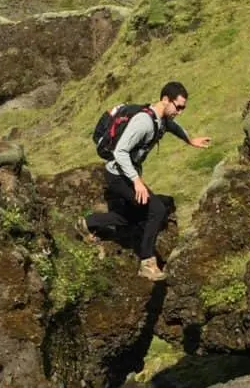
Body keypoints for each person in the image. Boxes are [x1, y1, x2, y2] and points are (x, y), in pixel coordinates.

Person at [77, 81, 211, 281]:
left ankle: (87, 223)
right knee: (157, 209)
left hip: (124, 174)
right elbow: (120, 151)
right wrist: (137, 181)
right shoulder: (144, 122)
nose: (180, 111)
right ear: (166, 100)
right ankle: (147, 262)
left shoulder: (161, 118)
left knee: (129, 217)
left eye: (183, 107)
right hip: (118, 175)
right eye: (179, 106)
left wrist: (189, 140)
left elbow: (171, 126)